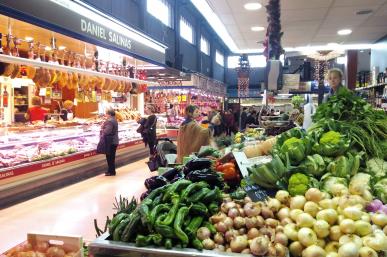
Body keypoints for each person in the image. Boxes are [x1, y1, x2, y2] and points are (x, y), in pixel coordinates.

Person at [100, 108, 119, 176]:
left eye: (106, 113)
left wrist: (102, 128)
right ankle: (111, 171)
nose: (105, 115)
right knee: (112, 157)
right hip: (114, 141)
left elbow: (107, 131)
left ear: (109, 114)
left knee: (109, 157)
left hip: (110, 141)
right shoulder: (114, 119)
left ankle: (111, 171)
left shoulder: (110, 121)